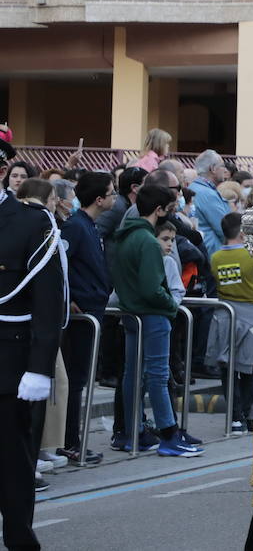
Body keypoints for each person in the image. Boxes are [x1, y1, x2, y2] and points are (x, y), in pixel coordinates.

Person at [108, 183, 203, 457]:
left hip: (132, 312)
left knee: (132, 374)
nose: (170, 216)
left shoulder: (126, 237)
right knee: (158, 376)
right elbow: (152, 288)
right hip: (152, 314)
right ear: (158, 210)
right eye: (169, 210)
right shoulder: (148, 241)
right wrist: (170, 305)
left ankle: (133, 432)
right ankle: (169, 435)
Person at [0, 161, 65, 546]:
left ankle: (20, 539)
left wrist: (40, 367)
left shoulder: (30, 221)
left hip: (9, 363)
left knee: (12, 462)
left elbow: (47, 299)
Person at [59, 171, 113, 465]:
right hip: (82, 314)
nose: (115, 198)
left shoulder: (90, 226)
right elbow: (62, 265)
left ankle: (72, 440)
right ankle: (69, 442)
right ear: (99, 199)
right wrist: (73, 301)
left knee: (80, 379)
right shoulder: (76, 227)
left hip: (95, 308)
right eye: (111, 193)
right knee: (75, 380)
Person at [207, 212, 253, 433]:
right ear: (242, 232)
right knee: (249, 368)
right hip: (251, 316)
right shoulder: (252, 255)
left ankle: (234, 417)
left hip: (225, 316)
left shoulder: (215, 257)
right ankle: (249, 416)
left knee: (227, 369)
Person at [188, 150, 232, 254]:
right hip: (212, 255)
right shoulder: (208, 194)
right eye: (223, 166)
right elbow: (225, 230)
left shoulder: (193, 188)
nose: (226, 170)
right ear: (212, 169)